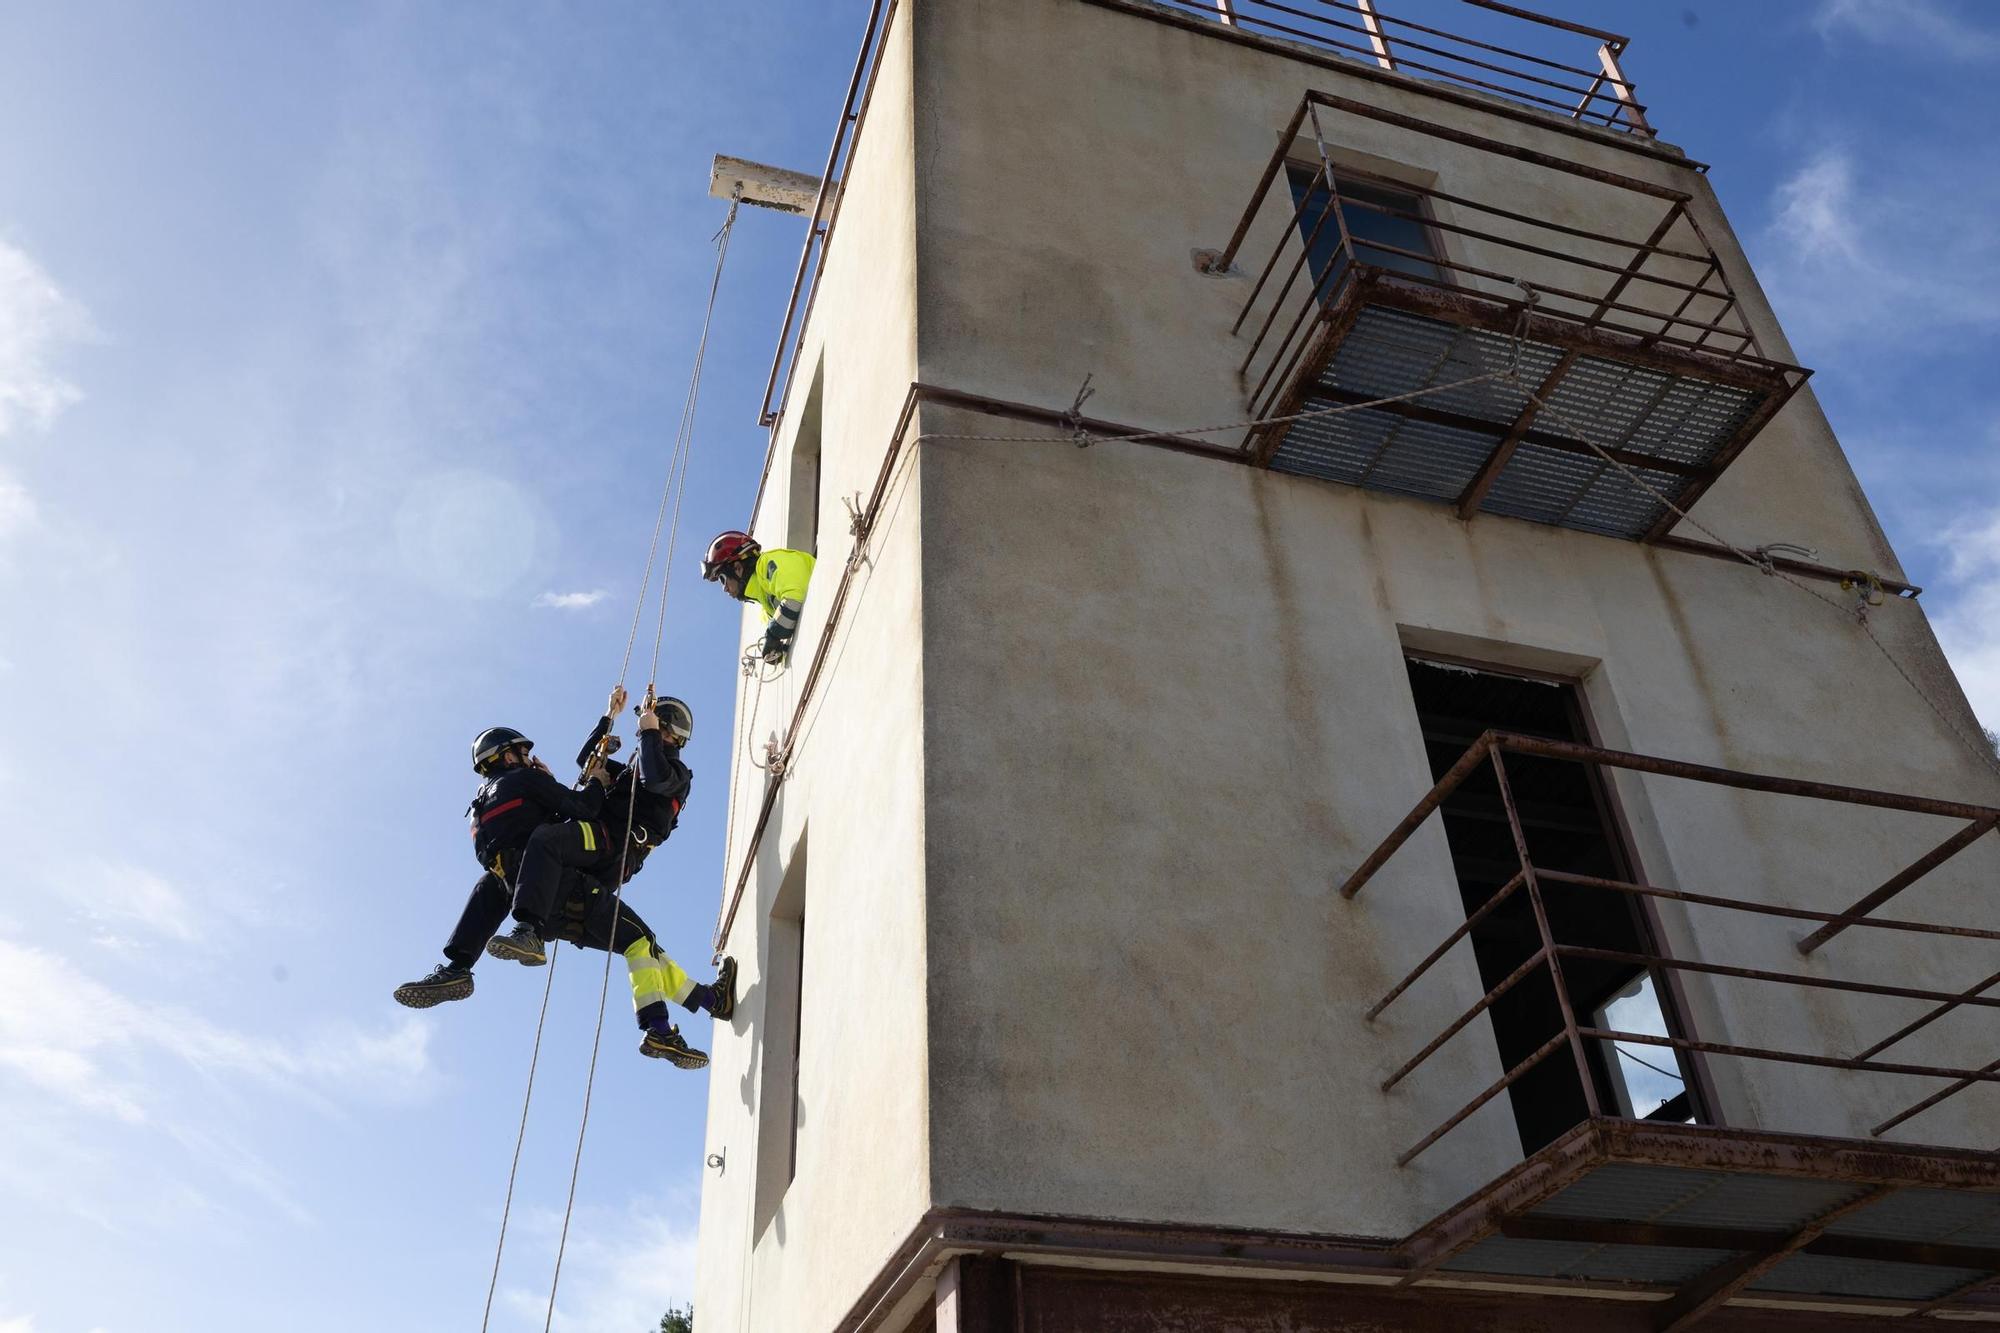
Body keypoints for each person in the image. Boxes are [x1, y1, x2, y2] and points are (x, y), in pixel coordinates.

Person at [392, 689, 733, 1068]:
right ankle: (697, 1007)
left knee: (549, 850)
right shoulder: (629, 773)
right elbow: (590, 764)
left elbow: (653, 777)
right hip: (573, 877)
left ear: (669, 734)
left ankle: (686, 1011)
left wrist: (646, 733)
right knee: (637, 943)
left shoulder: (676, 775)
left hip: (613, 847)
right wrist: (608, 719)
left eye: (657, 731)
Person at [702, 530, 815, 667]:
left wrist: (774, 635)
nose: (724, 588)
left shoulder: (768, 563)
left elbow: (796, 595)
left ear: (737, 568)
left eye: (722, 579)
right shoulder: (765, 605)